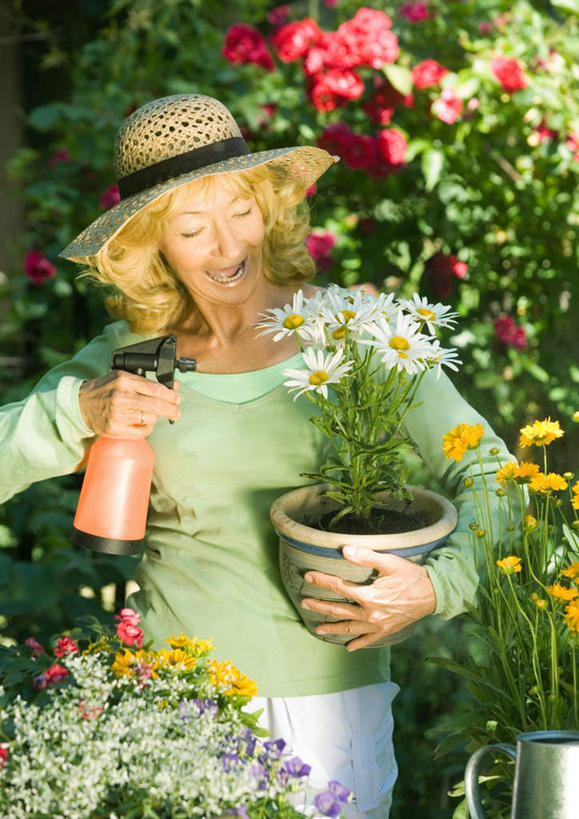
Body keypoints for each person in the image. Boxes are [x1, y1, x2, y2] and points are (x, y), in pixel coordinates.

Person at [0, 94, 513, 818]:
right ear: (153, 244)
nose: (225, 246)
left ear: (268, 207)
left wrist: (438, 586)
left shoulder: (360, 335)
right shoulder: (133, 360)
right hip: (178, 707)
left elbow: (496, 475)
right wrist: (74, 411)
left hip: (333, 707)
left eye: (239, 210)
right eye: (190, 227)